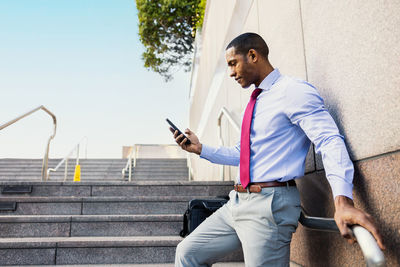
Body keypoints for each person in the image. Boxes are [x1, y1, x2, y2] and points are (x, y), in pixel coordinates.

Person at [171, 32, 384, 267]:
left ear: (252, 55)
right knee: (187, 252)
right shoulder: (257, 101)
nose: (231, 72)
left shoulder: (293, 91)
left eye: (233, 63)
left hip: (269, 204)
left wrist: (343, 202)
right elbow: (242, 155)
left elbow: (329, 141)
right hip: (237, 203)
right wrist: (200, 149)